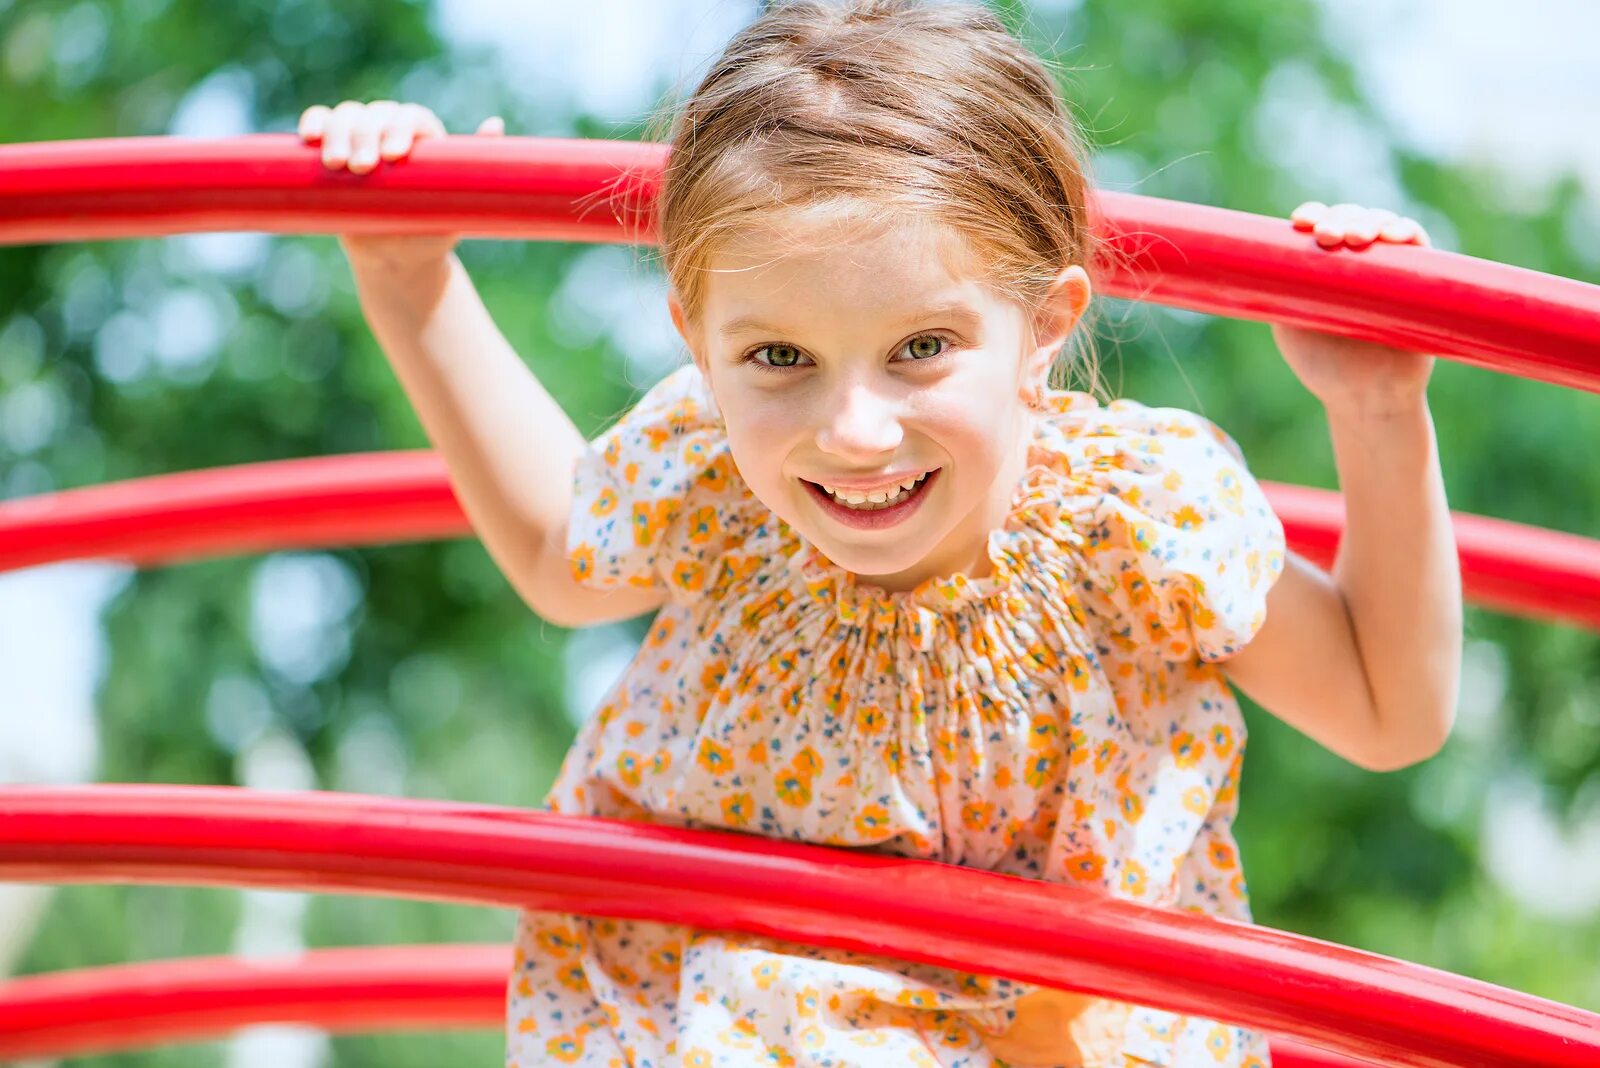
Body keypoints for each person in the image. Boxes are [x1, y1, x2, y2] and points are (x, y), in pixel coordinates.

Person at [297, 1, 1461, 1064]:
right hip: (738, 1022)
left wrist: (1374, 406)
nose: (854, 431)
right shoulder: (711, 478)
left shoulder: (1129, 520)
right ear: (697, 340)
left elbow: (1382, 705)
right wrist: (410, 282)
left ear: (1043, 324)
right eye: (777, 359)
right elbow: (562, 554)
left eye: (920, 349)